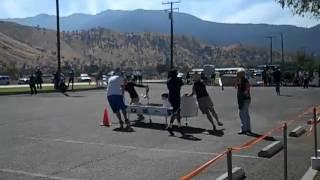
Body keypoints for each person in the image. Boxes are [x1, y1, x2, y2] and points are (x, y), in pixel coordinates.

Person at [167, 69, 185, 136]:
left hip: (171, 97)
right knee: (175, 111)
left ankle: (179, 126)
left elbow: (169, 88)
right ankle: (170, 126)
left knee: (178, 111)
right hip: (177, 97)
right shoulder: (178, 79)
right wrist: (180, 78)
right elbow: (182, 84)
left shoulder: (168, 80)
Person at [236, 70, 252, 135]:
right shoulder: (243, 80)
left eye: (237, 74)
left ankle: (243, 129)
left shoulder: (243, 81)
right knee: (246, 114)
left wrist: (243, 95)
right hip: (247, 99)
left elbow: (246, 89)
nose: (236, 75)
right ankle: (248, 128)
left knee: (242, 114)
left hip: (244, 99)